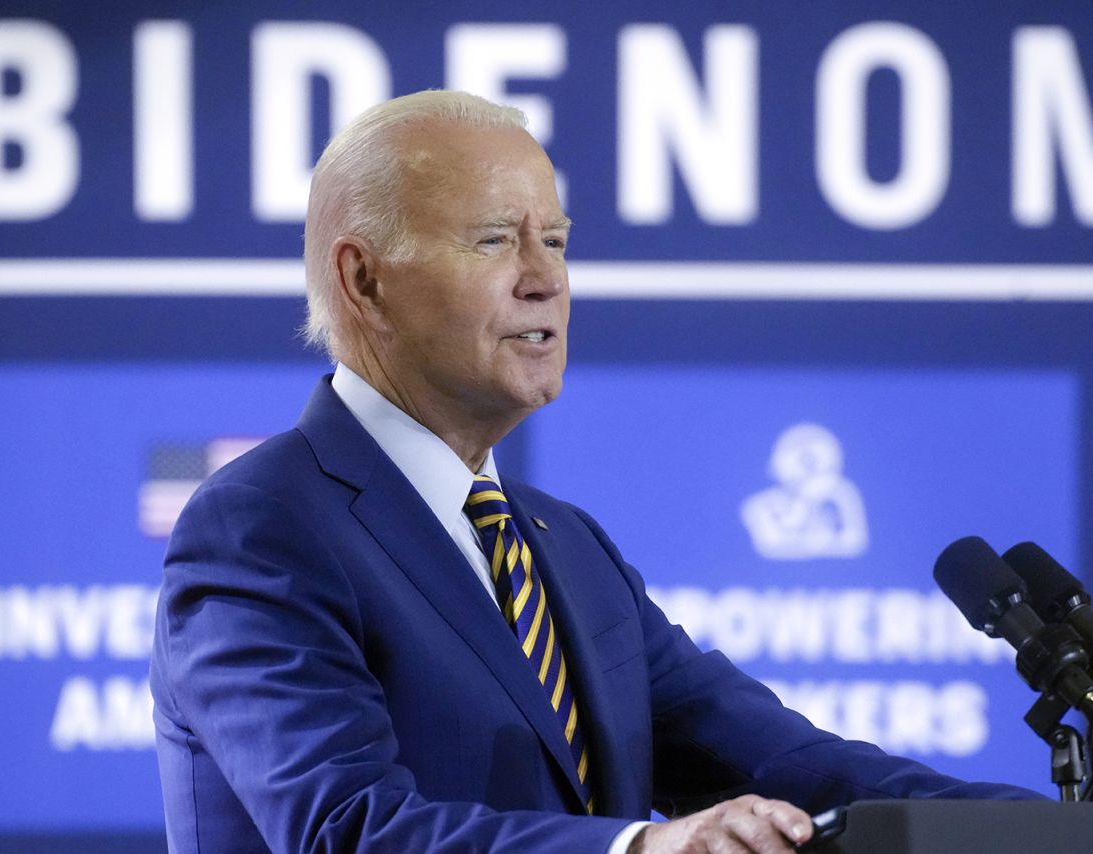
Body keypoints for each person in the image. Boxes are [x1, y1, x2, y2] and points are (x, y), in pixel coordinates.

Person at [150, 90, 1040, 854]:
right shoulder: (263, 527)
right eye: (497, 240)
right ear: (365, 280)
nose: (546, 279)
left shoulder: (565, 546)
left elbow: (795, 768)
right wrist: (642, 845)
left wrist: (1056, 833)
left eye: (558, 241)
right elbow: (347, 828)